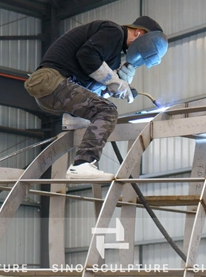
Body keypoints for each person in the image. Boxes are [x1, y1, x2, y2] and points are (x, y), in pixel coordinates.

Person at [23, 16, 167, 180]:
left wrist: (113, 86)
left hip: (55, 90)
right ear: (139, 33)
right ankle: (82, 164)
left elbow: (93, 92)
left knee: (98, 110)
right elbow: (86, 55)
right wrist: (116, 83)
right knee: (107, 111)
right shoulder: (114, 32)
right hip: (52, 80)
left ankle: (78, 141)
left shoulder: (112, 57)